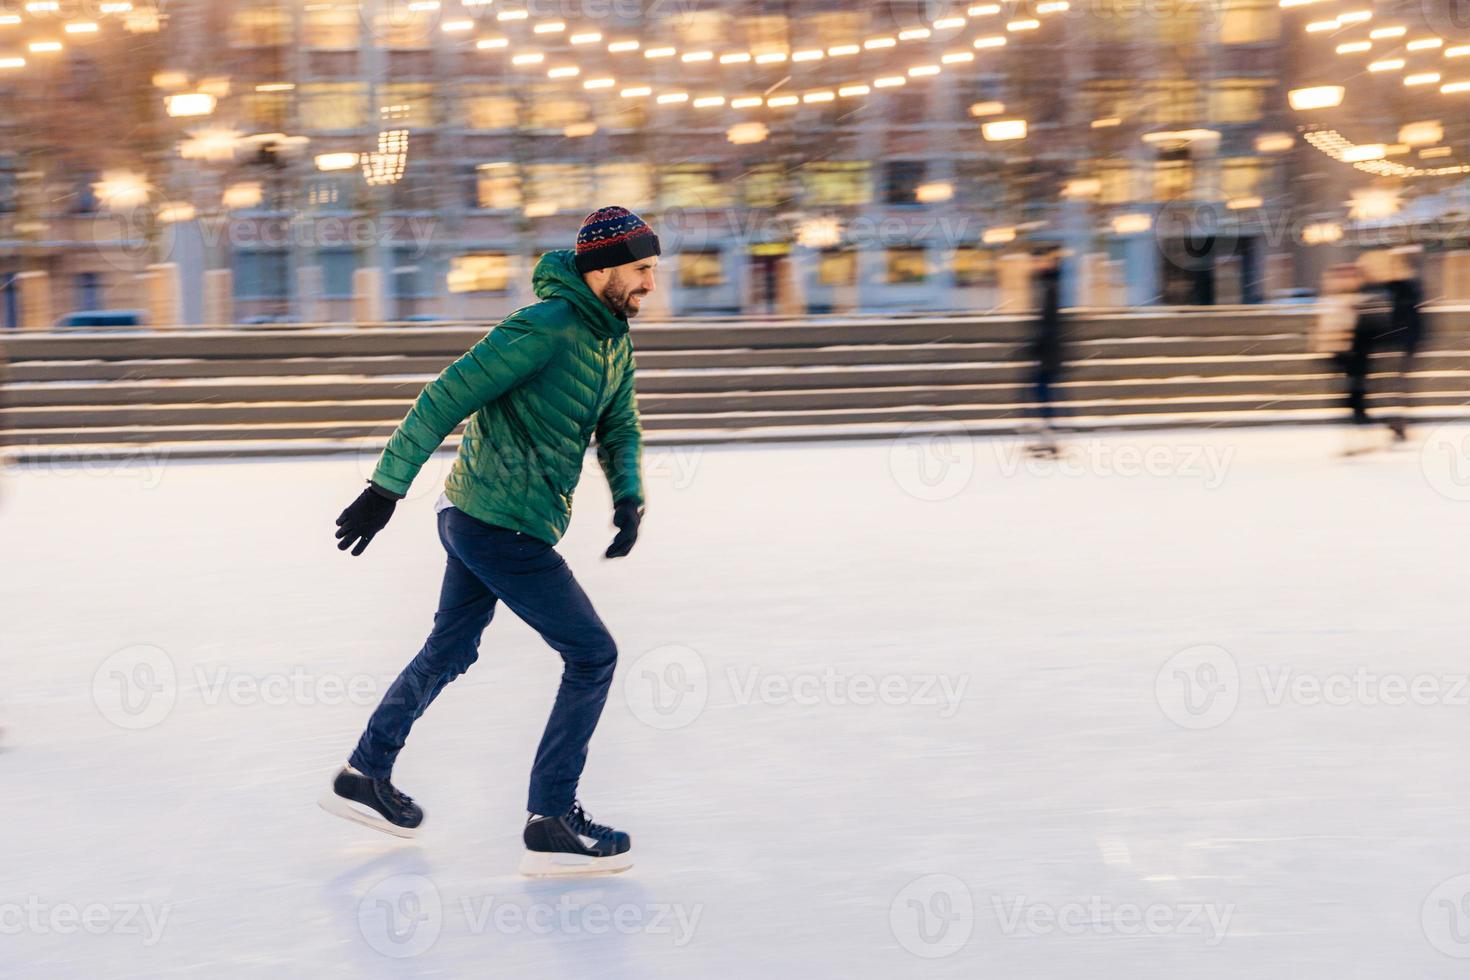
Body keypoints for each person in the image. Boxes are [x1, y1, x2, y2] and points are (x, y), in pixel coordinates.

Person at [320, 206, 659, 877]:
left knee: (451, 648)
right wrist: (385, 487)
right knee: (592, 655)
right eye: (642, 268)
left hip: (496, 518)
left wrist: (628, 497)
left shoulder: (611, 339)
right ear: (602, 269)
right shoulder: (542, 328)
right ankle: (551, 817)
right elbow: (445, 396)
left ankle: (365, 771)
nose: (651, 282)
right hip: (494, 522)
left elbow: (619, 426)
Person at [1024, 247, 1066, 456]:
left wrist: (1037, 347)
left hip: (1049, 351)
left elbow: (1050, 323)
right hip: (1048, 350)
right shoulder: (1047, 284)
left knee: (1041, 392)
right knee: (1041, 392)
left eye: (1039, 259)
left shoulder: (1051, 286)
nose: (1035, 263)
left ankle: (1050, 439)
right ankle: (1048, 436)